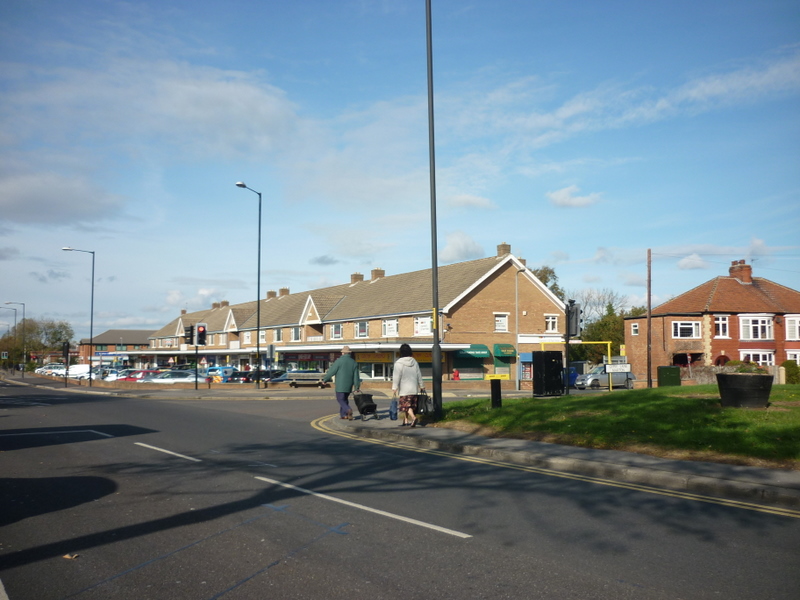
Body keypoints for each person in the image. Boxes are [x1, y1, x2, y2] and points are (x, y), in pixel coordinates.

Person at [322, 346, 361, 420]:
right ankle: (344, 415)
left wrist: (325, 380)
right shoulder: (354, 362)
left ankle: (348, 410)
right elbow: (356, 376)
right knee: (345, 399)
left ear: (342, 353)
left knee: (340, 399)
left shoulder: (339, 361)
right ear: (349, 353)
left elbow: (331, 372)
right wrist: (356, 387)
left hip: (340, 385)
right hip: (349, 385)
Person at [392, 343, 424, 428]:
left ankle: (413, 418)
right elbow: (419, 375)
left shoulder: (398, 363)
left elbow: (396, 376)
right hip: (414, 388)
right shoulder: (414, 362)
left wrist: (394, 387)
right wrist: (421, 385)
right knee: (410, 405)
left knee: (406, 405)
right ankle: (405, 420)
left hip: (404, 389)